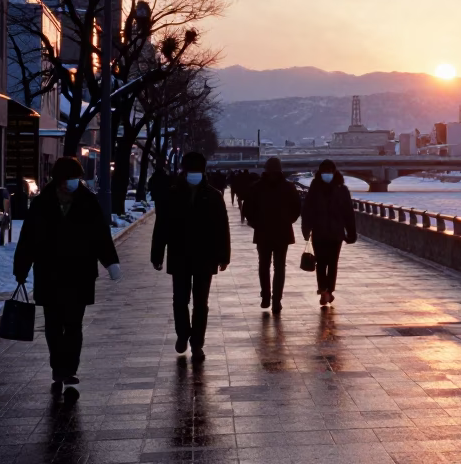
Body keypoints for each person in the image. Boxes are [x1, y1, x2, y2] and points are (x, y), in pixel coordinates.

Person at [13, 157, 120, 393]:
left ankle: (69, 369)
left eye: (75, 179)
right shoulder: (41, 204)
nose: (72, 183)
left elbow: (100, 235)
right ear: (58, 180)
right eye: (68, 179)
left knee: (73, 324)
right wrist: (21, 268)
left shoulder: (88, 202)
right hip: (49, 272)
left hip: (79, 273)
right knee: (53, 324)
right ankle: (57, 367)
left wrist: (111, 262)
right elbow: (28, 239)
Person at [151, 152, 230, 361]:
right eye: (191, 170)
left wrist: (224, 256)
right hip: (180, 254)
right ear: (184, 171)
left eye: (197, 170)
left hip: (206, 256)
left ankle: (197, 343)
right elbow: (162, 227)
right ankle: (183, 334)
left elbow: (222, 228)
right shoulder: (172, 194)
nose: (193, 174)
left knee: (201, 302)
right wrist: (157, 254)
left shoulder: (214, 196)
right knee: (180, 300)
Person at [241, 157, 302, 314]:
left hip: (263, 232)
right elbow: (297, 208)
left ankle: (266, 296)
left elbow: (247, 209)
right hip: (282, 232)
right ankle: (276, 300)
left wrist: (256, 223)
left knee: (264, 265)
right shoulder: (289, 187)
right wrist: (288, 220)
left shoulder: (256, 187)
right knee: (279, 266)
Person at [300, 159, 357, 307]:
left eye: (329, 172)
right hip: (322, 232)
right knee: (324, 263)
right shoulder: (317, 189)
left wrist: (351, 232)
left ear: (334, 172)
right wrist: (306, 229)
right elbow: (307, 211)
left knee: (329, 263)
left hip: (333, 234)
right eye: (325, 172)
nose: (327, 174)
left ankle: (326, 290)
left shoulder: (340, 190)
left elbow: (348, 213)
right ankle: (326, 291)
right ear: (320, 173)